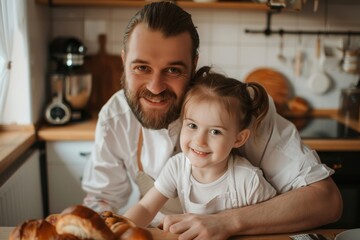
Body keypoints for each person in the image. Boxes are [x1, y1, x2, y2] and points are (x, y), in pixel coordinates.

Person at [81, 1, 342, 239]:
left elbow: (326, 201)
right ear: (124, 60)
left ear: (194, 65)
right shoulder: (115, 117)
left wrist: (226, 223)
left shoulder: (242, 109)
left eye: (173, 70)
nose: (156, 87)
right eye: (142, 67)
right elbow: (101, 201)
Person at [123, 66, 277, 227]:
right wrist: (119, 231)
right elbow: (146, 208)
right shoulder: (177, 166)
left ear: (238, 139)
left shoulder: (249, 180)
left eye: (215, 131)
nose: (200, 141)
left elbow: (272, 223)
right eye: (192, 126)